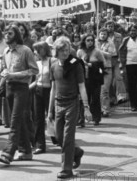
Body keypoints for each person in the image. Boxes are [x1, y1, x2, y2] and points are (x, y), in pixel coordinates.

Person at [0, 25, 39, 165]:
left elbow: (34, 70)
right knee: (18, 121)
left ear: (16, 35)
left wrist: (13, 75)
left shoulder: (25, 50)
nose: (6, 35)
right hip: (9, 88)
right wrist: (0, 71)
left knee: (14, 121)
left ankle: (8, 152)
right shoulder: (6, 51)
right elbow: (4, 70)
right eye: (5, 33)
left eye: (10, 33)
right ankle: (26, 151)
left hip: (21, 88)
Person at [48, 37, 89, 179]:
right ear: (56, 51)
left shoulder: (76, 65)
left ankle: (66, 169)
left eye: (67, 50)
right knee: (58, 137)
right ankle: (76, 152)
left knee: (68, 138)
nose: (65, 53)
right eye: (62, 51)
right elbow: (53, 89)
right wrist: (50, 111)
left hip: (72, 104)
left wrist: (86, 107)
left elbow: (82, 87)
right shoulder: (53, 65)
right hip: (58, 104)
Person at [76, 34, 105, 125]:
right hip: (84, 78)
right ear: (84, 41)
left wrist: (92, 65)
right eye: (88, 40)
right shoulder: (80, 51)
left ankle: (96, 118)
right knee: (83, 99)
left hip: (95, 78)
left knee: (95, 98)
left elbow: (102, 65)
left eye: (91, 40)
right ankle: (81, 119)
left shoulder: (97, 51)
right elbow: (77, 64)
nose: (90, 42)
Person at [31, 41, 53, 154]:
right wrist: (27, 88)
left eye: (37, 50)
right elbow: (36, 80)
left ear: (43, 50)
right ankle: (40, 145)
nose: (35, 52)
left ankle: (57, 138)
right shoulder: (37, 63)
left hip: (50, 91)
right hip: (38, 90)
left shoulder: (52, 61)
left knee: (52, 116)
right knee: (38, 118)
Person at [95, 28, 116, 117]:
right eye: (101, 34)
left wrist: (99, 52)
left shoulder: (110, 43)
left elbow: (110, 55)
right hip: (96, 68)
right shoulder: (95, 42)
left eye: (104, 34)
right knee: (97, 90)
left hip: (107, 68)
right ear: (99, 34)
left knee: (105, 90)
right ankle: (97, 109)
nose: (103, 36)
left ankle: (105, 109)